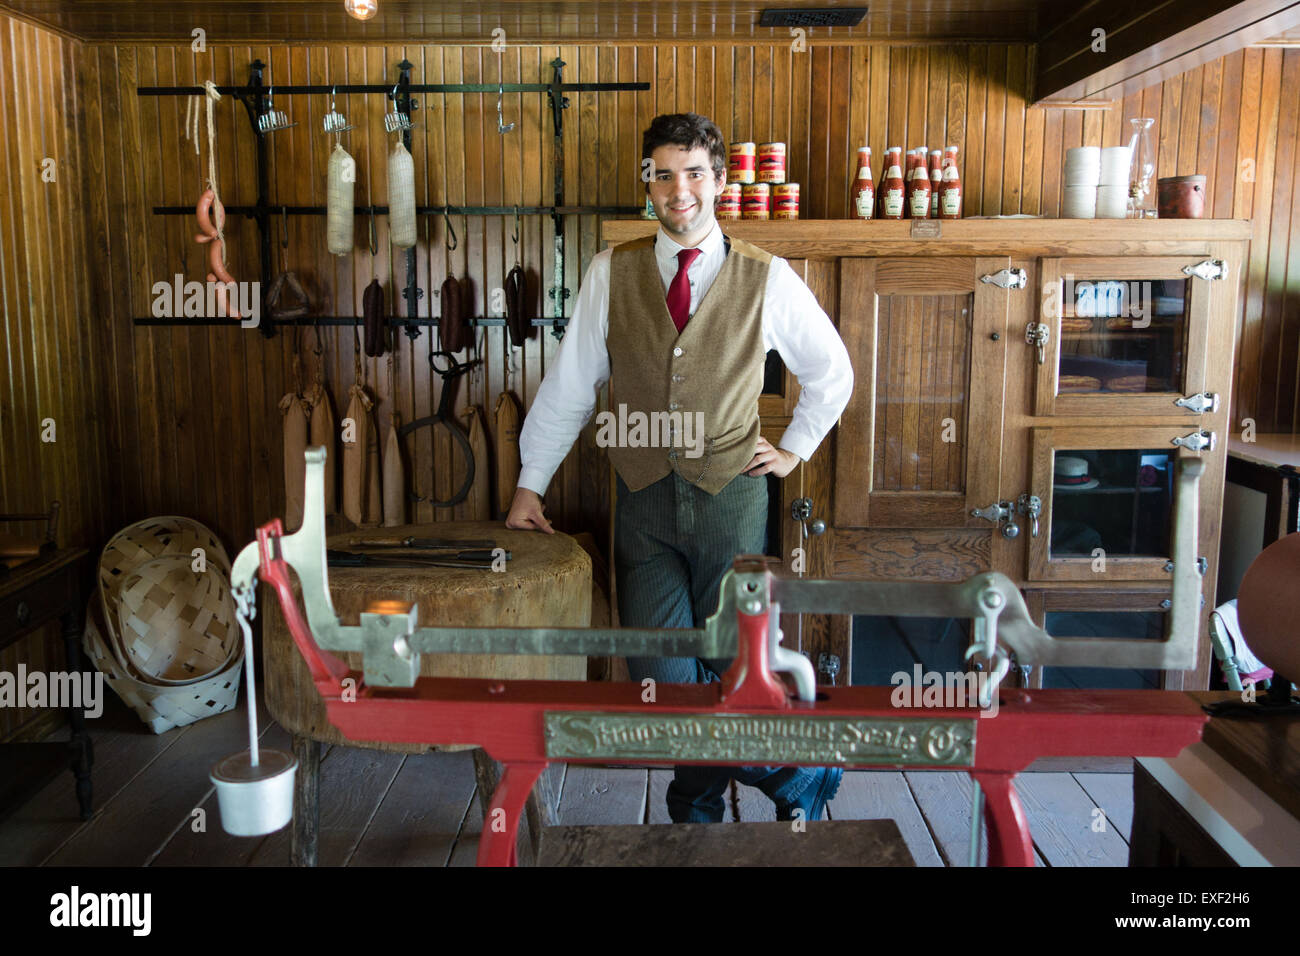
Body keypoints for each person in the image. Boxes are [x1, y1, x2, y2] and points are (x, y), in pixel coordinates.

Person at [506, 112, 854, 824]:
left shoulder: (768, 277)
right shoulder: (613, 272)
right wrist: (528, 485)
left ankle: (693, 807)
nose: (679, 189)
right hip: (643, 504)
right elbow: (570, 388)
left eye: (694, 172)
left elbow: (834, 372)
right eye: (663, 174)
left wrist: (795, 448)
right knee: (663, 678)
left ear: (720, 181)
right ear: (649, 184)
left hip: (732, 500)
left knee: (729, 668)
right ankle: (796, 772)